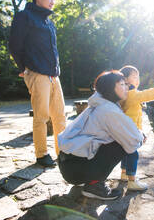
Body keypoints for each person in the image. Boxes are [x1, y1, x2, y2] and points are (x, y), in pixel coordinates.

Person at [58, 71, 144, 200]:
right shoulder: (108, 110)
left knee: (120, 137)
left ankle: (90, 179)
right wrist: (142, 136)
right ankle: (94, 185)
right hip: (75, 169)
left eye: (127, 84)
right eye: (122, 84)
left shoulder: (100, 104)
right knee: (122, 143)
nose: (127, 87)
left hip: (68, 165)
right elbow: (134, 140)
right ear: (110, 87)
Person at [9, 0, 66, 167]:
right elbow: (14, 44)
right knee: (41, 117)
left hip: (53, 75)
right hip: (36, 73)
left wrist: (56, 70)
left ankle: (63, 152)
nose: (53, 1)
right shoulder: (24, 16)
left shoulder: (49, 22)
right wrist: (22, 68)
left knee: (60, 116)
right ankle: (42, 155)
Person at [119, 65, 154, 190]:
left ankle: (124, 173)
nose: (138, 79)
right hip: (131, 131)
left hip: (125, 129)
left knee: (125, 152)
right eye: (135, 76)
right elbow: (147, 94)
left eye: (138, 77)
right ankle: (132, 180)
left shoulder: (124, 93)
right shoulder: (132, 94)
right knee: (133, 154)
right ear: (125, 79)